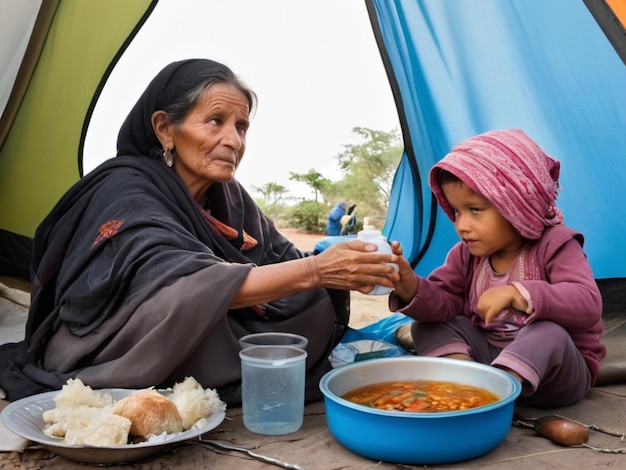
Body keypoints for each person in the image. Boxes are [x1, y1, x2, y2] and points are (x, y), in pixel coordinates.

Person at [0, 59, 399, 404]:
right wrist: (315, 271)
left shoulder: (229, 196)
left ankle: (219, 362)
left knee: (309, 294)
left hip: (214, 320)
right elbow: (174, 286)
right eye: (215, 121)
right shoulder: (124, 187)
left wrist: (350, 264)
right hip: (123, 332)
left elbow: (285, 260)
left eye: (241, 126)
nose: (233, 140)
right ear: (164, 129)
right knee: (184, 298)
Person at [389, 129, 605, 407]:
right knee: (426, 328)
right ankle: (466, 380)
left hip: (558, 373)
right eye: (456, 211)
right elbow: (443, 304)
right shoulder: (465, 255)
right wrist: (411, 288)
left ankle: (494, 394)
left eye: (475, 210)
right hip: (490, 356)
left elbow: (587, 303)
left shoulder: (557, 244)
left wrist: (519, 294)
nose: (461, 225)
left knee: (547, 332)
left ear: (517, 206)